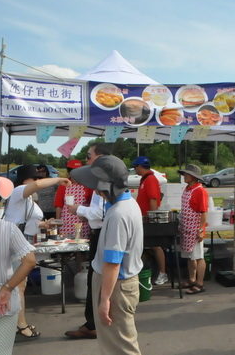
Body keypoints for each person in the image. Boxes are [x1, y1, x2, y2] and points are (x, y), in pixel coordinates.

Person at [72, 155, 144, 355]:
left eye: (96, 185)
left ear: (106, 186)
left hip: (115, 286)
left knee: (120, 348)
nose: (95, 190)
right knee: (116, 345)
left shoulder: (118, 214)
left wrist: (104, 300)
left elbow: (113, 263)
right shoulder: (128, 204)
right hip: (119, 284)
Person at [3, 164, 69, 339]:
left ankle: (18, 323)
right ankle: (19, 325)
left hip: (22, 240)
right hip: (15, 241)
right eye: (35, 178)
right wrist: (58, 179)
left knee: (19, 285)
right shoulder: (19, 191)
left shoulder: (27, 199)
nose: (38, 181)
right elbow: (38, 186)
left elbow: (28, 221)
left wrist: (44, 224)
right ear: (26, 180)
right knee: (17, 285)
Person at [64, 142, 111, 340]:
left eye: (89, 156)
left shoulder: (104, 180)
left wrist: (79, 210)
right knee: (95, 278)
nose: (87, 159)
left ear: (100, 157)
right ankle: (92, 322)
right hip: (99, 232)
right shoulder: (100, 179)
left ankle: (94, 324)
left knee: (97, 279)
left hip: (102, 234)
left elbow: (101, 213)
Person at [0, 176, 37, 355]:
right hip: (1, 298)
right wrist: (8, 288)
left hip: (1, 299)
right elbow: (30, 260)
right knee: (1, 350)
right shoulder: (7, 228)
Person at [133, 156, 167, 286]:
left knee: (156, 245)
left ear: (139, 166)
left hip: (148, 219)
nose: (135, 170)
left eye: (135, 167)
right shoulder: (145, 179)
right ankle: (150, 271)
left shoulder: (150, 179)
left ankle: (163, 273)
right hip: (144, 218)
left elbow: (153, 199)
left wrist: (152, 218)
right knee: (151, 246)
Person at [178, 165, 208, 295]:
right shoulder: (187, 189)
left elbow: (203, 212)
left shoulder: (199, 191)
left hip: (195, 229)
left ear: (193, 177)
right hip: (186, 228)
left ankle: (200, 284)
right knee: (190, 257)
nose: (184, 176)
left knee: (199, 257)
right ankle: (192, 279)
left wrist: (201, 230)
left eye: (186, 174)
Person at [55, 159, 93, 238]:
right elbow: (59, 206)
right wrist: (57, 225)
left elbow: (92, 205)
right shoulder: (63, 185)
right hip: (66, 224)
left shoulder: (88, 185)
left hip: (82, 223)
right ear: (69, 172)